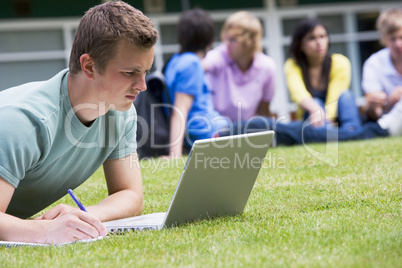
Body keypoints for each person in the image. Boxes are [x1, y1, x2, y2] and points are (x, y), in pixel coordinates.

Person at [0, 1, 158, 244]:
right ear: (89, 66)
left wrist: (84, 216)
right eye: (129, 73)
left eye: (145, 72)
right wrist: (46, 231)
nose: (142, 85)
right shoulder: (24, 122)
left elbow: (130, 195)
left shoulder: (120, 112)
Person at [164, 8, 229, 157]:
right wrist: (175, 154)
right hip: (210, 133)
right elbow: (180, 110)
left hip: (212, 130)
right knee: (265, 126)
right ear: (208, 38)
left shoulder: (175, 61)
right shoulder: (192, 63)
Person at [284, 18, 360, 129]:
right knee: (315, 101)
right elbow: (298, 94)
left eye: (322, 36)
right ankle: (340, 134)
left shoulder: (340, 62)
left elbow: (334, 98)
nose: (319, 43)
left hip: (337, 119)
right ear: (300, 44)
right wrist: (315, 108)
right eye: (312, 38)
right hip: (312, 120)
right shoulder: (292, 65)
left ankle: (351, 131)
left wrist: (328, 122)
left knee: (346, 96)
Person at [203, 11, 276, 121]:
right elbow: (199, 68)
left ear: (250, 42)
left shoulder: (267, 67)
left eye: (232, 40)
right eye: (225, 39)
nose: (226, 44)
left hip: (247, 129)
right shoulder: (219, 55)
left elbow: (264, 110)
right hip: (217, 127)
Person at [361, 8, 402, 136]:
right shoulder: (373, 64)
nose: (398, 44)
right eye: (392, 39)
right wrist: (379, 105)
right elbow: (374, 113)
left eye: (401, 37)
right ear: (384, 39)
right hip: (386, 122)